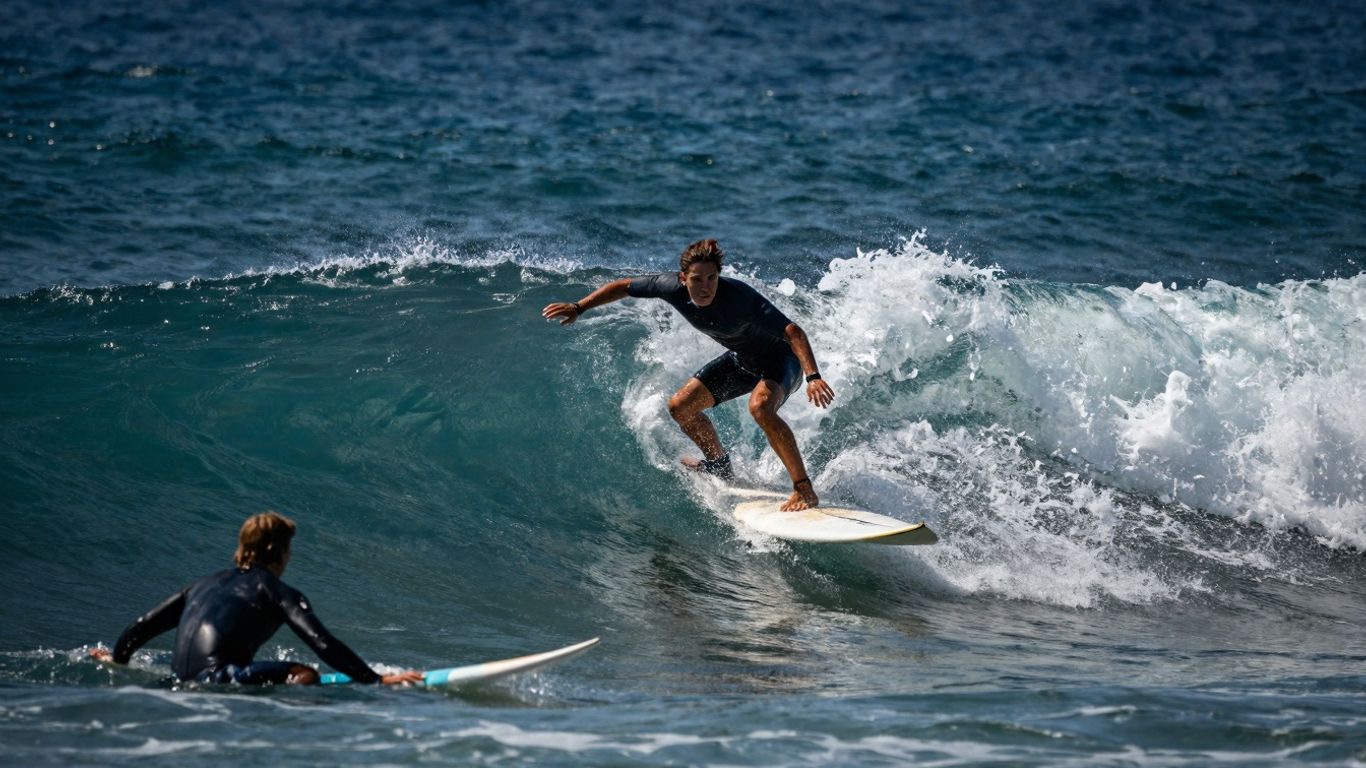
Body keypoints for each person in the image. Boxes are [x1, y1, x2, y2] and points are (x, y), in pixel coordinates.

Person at [542, 239, 836, 511]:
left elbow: (793, 332)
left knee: (760, 407)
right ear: (684, 279)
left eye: (712, 278)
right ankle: (720, 466)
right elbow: (623, 286)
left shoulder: (739, 297)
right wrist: (579, 307)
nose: (706, 286)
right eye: (697, 279)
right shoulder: (669, 287)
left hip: (782, 360)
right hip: (743, 361)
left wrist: (813, 377)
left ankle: (803, 489)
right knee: (680, 407)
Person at [90, 511, 424, 687]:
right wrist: (377, 679)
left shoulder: (202, 585)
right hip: (216, 680)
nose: (290, 557)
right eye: (288, 548)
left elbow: (142, 626)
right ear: (277, 551)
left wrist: (119, 660)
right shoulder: (275, 591)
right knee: (304, 676)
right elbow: (322, 642)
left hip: (178, 682)